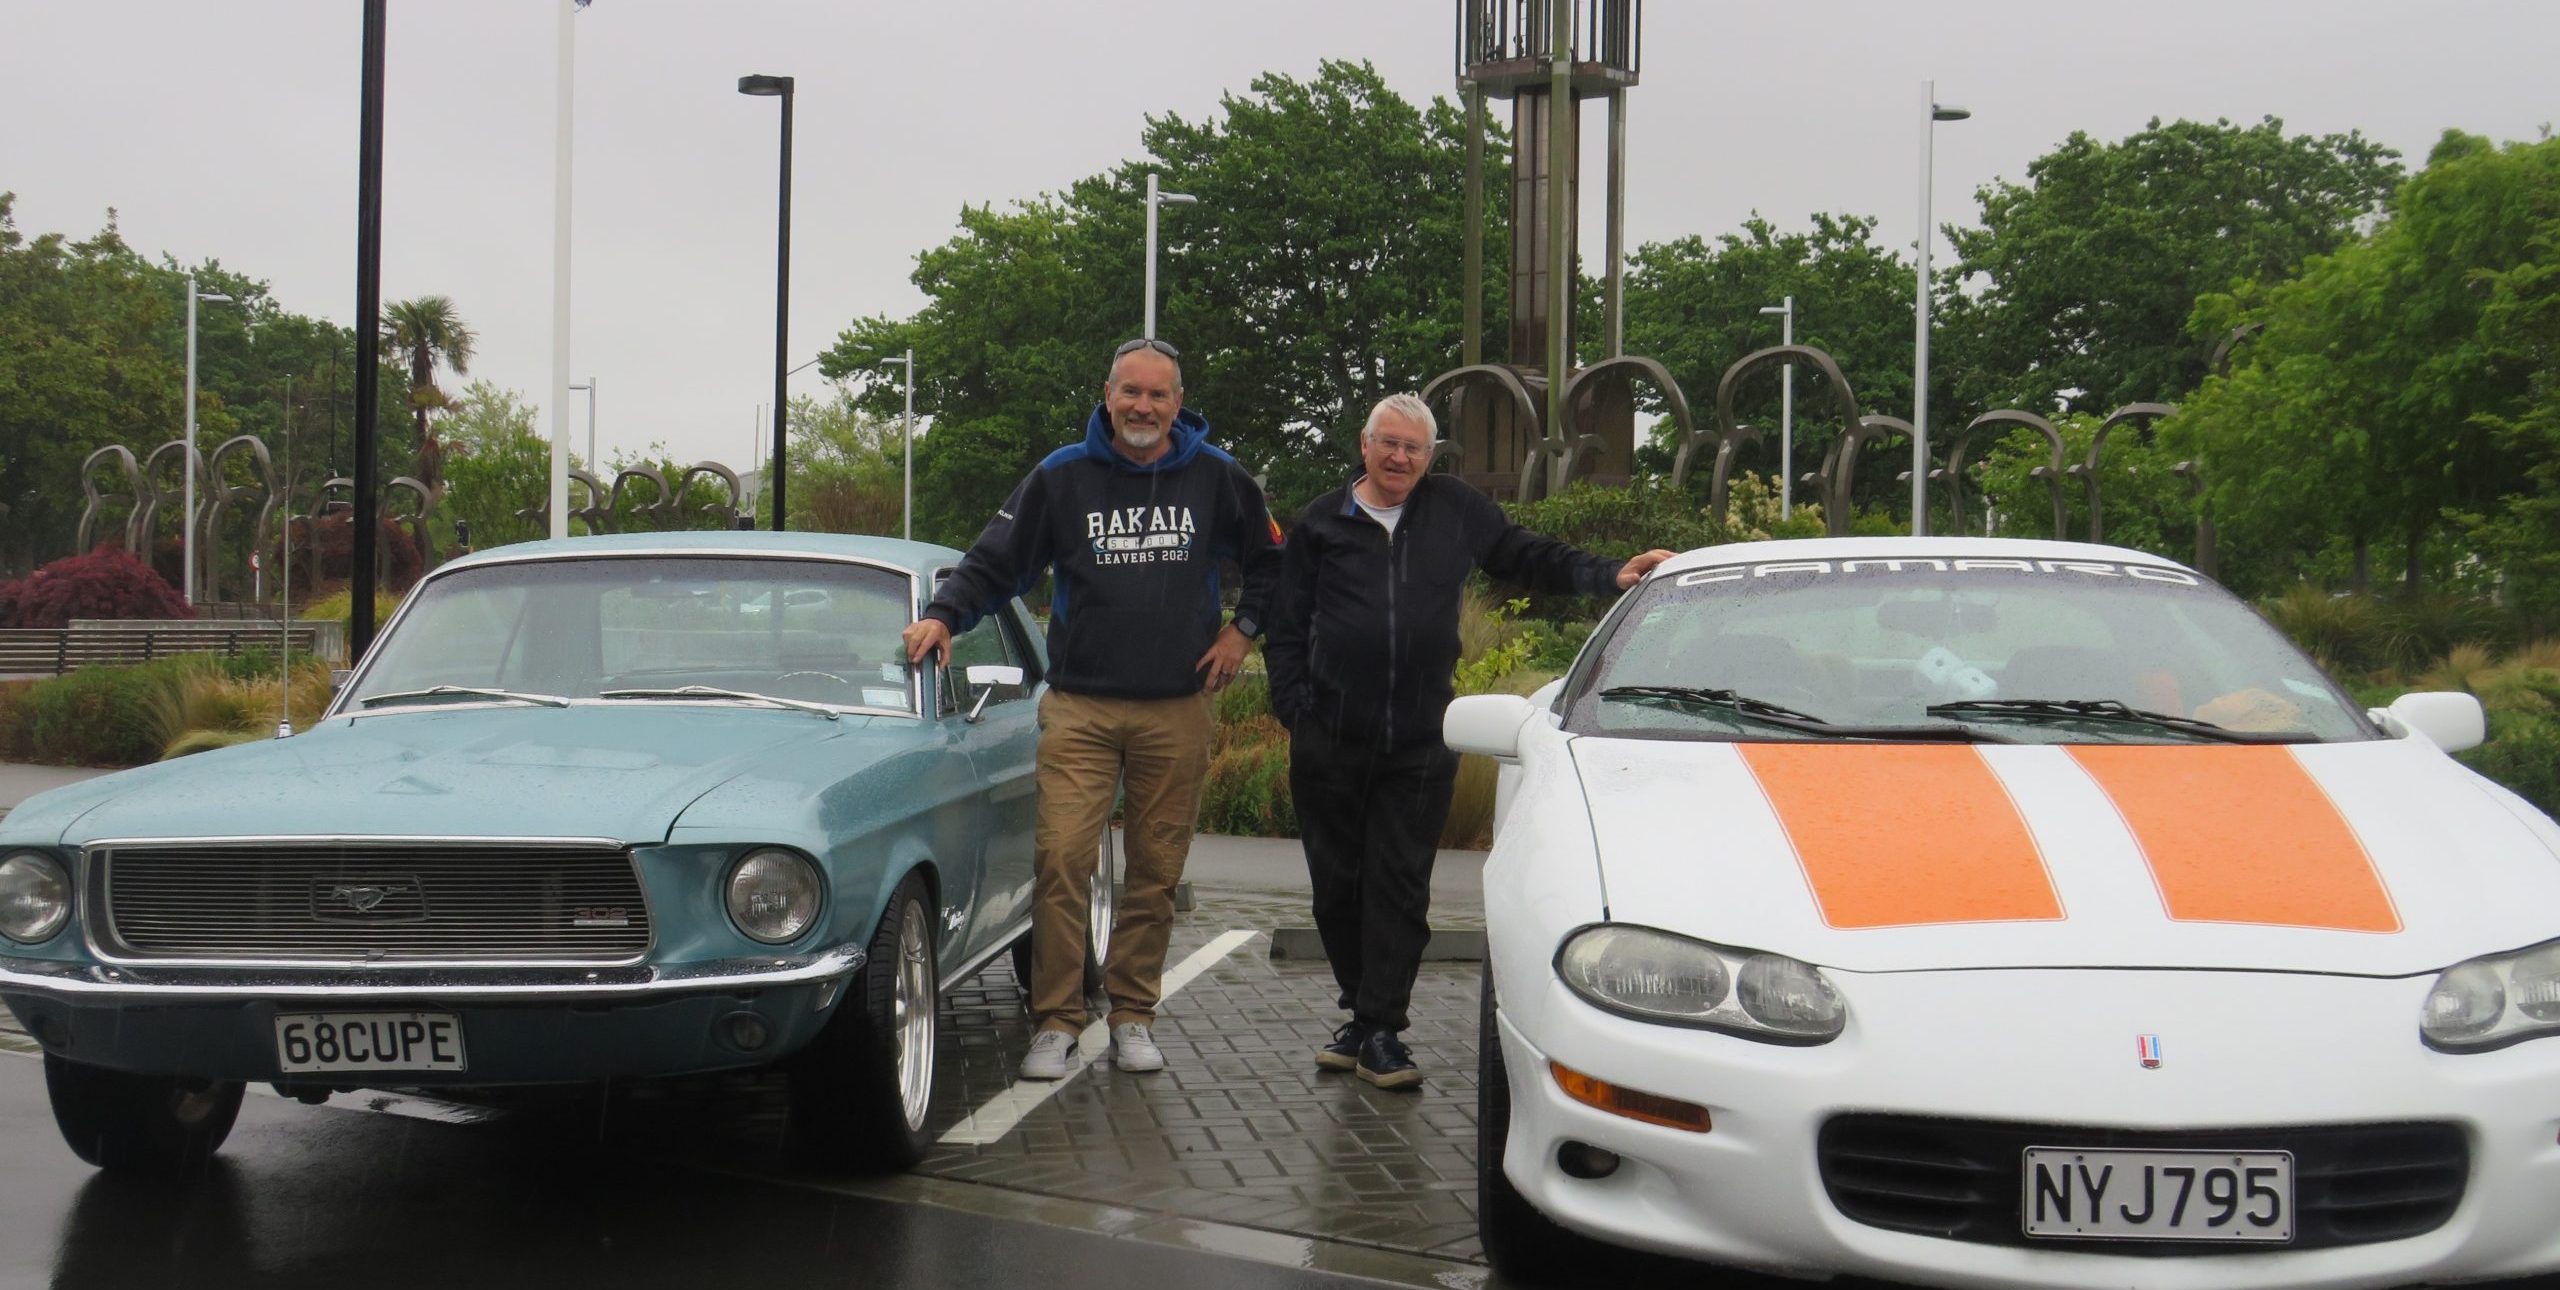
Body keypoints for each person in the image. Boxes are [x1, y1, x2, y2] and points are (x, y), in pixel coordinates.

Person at [1264, 393, 1672, 1089]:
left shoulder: (1453, 509)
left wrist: (1610, 574)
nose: (1399, 458)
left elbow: (1526, 555)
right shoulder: (1322, 522)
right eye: (1388, 444)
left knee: (1398, 886)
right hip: (1328, 739)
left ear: (1430, 456)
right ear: (1364, 446)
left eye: (1413, 448)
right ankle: (1359, 1016)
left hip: (1422, 738)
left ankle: (1382, 1029)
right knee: (1336, 890)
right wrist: (1296, 709)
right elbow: (1286, 624)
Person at [903, 338, 1283, 1081]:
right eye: (1130, 392)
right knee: (1062, 862)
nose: (1143, 406)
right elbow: (995, 562)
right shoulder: (1062, 476)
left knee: (1155, 870)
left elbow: (1273, 563)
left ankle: (1134, 1014)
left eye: (1157, 395)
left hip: (1177, 708)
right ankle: (1057, 1021)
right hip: (1080, 707)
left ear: (1178, 403)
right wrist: (944, 615)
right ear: (1108, 396)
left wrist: (1241, 632)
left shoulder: (1217, 476)